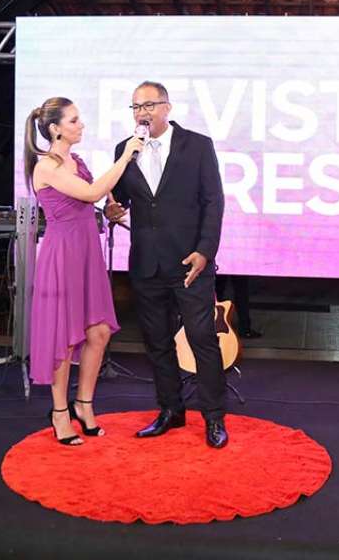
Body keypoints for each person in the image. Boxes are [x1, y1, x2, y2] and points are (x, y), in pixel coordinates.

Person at [106, 81, 229, 448]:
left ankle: (214, 417)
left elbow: (214, 202)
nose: (142, 113)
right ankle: (171, 410)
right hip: (146, 263)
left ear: (167, 107)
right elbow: (121, 198)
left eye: (149, 105)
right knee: (157, 343)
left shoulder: (198, 145)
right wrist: (112, 209)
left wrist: (205, 251)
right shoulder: (125, 149)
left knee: (202, 340)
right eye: (136, 107)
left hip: (190, 263)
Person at [25, 97, 143, 446]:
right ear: (55, 129)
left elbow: (89, 202)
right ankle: (59, 412)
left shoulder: (75, 161)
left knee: (99, 331)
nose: (81, 125)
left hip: (87, 252)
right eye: (74, 120)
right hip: (62, 256)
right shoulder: (46, 166)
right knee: (64, 337)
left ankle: (84, 404)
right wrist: (125, 156)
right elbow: (91, 192)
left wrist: (110, 211)